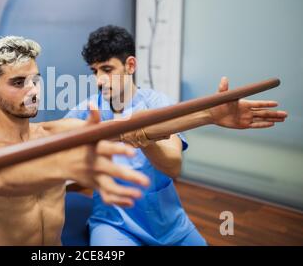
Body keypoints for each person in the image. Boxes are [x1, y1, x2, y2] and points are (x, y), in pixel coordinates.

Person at [64, 25, 287, 246]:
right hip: (113, 223)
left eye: (107, 69)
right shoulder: (88, 110)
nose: (99, 80)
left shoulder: (159, 104)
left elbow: (173, 166)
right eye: (95, 71)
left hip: (166, 222)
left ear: (130, 65)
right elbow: (53, 140)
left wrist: (144, 139)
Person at [0, 36, 150, 245]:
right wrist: (64, 165)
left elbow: (128, 129)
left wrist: (184, 118)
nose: (33, 91)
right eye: (19, 82)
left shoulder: (56, 133)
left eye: (35, 80)